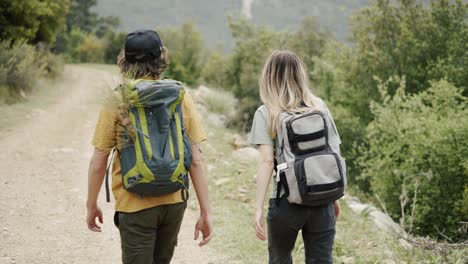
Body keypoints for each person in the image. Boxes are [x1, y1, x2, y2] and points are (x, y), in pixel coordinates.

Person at [86, 29, 213, 264]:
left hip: (135, 204)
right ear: (161, 58)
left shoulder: (119, 98)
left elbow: (98, 161)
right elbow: (196, 159)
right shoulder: (179, 96)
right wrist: (206, 212)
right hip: (174, 201)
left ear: (125, 60)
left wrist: (91, 204)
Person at [250, 50, 342, 264]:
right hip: (321, 200)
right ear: (300, 75)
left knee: (280, 259)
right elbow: (333, 151)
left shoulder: (266, 112)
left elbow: (266, 162)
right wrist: (334, 196)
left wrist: (258, 207)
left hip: (286, 202)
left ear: (269, 77)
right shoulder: (319, 106)